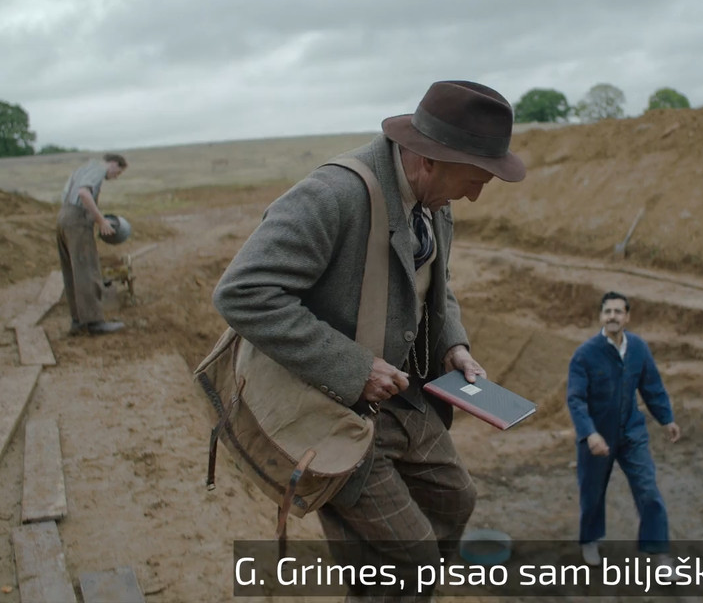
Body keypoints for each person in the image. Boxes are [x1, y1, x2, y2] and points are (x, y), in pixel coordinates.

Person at [212, 80, 526, 601]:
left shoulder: (435, 197)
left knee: (454, 503)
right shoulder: (334, 195)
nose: (474, 195)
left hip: (405, 400)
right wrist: (356, 369)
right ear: (429, 160)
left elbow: (435, 284)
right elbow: (242, 292)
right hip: (332, 411)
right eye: (473, 180)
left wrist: (453, 344)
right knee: (412, 554)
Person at [567, 291, 681, 569]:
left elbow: (652, 386)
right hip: (597, 434)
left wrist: (667, 419)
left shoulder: (638, 349)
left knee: (648, 489)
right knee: (592, 493)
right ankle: (590, 540)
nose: (612, 316)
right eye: (607, 311)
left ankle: (659, 553)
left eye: (618, 312)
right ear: (601, 316)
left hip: (631, 433)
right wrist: (590, 433)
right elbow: (576, 399)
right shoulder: (585, 355)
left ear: (627, 317)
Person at [57, 153, 127, 336]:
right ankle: (94, 322)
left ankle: (78, 321)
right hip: (77, 221)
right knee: (87, 270)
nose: (115, 177)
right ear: (113, 164)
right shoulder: (98, 168)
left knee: (72, 272)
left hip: (63, 218)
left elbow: (67, 194)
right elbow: (83, 193)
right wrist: (101, 220)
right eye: (118, 172)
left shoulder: (83, 169)